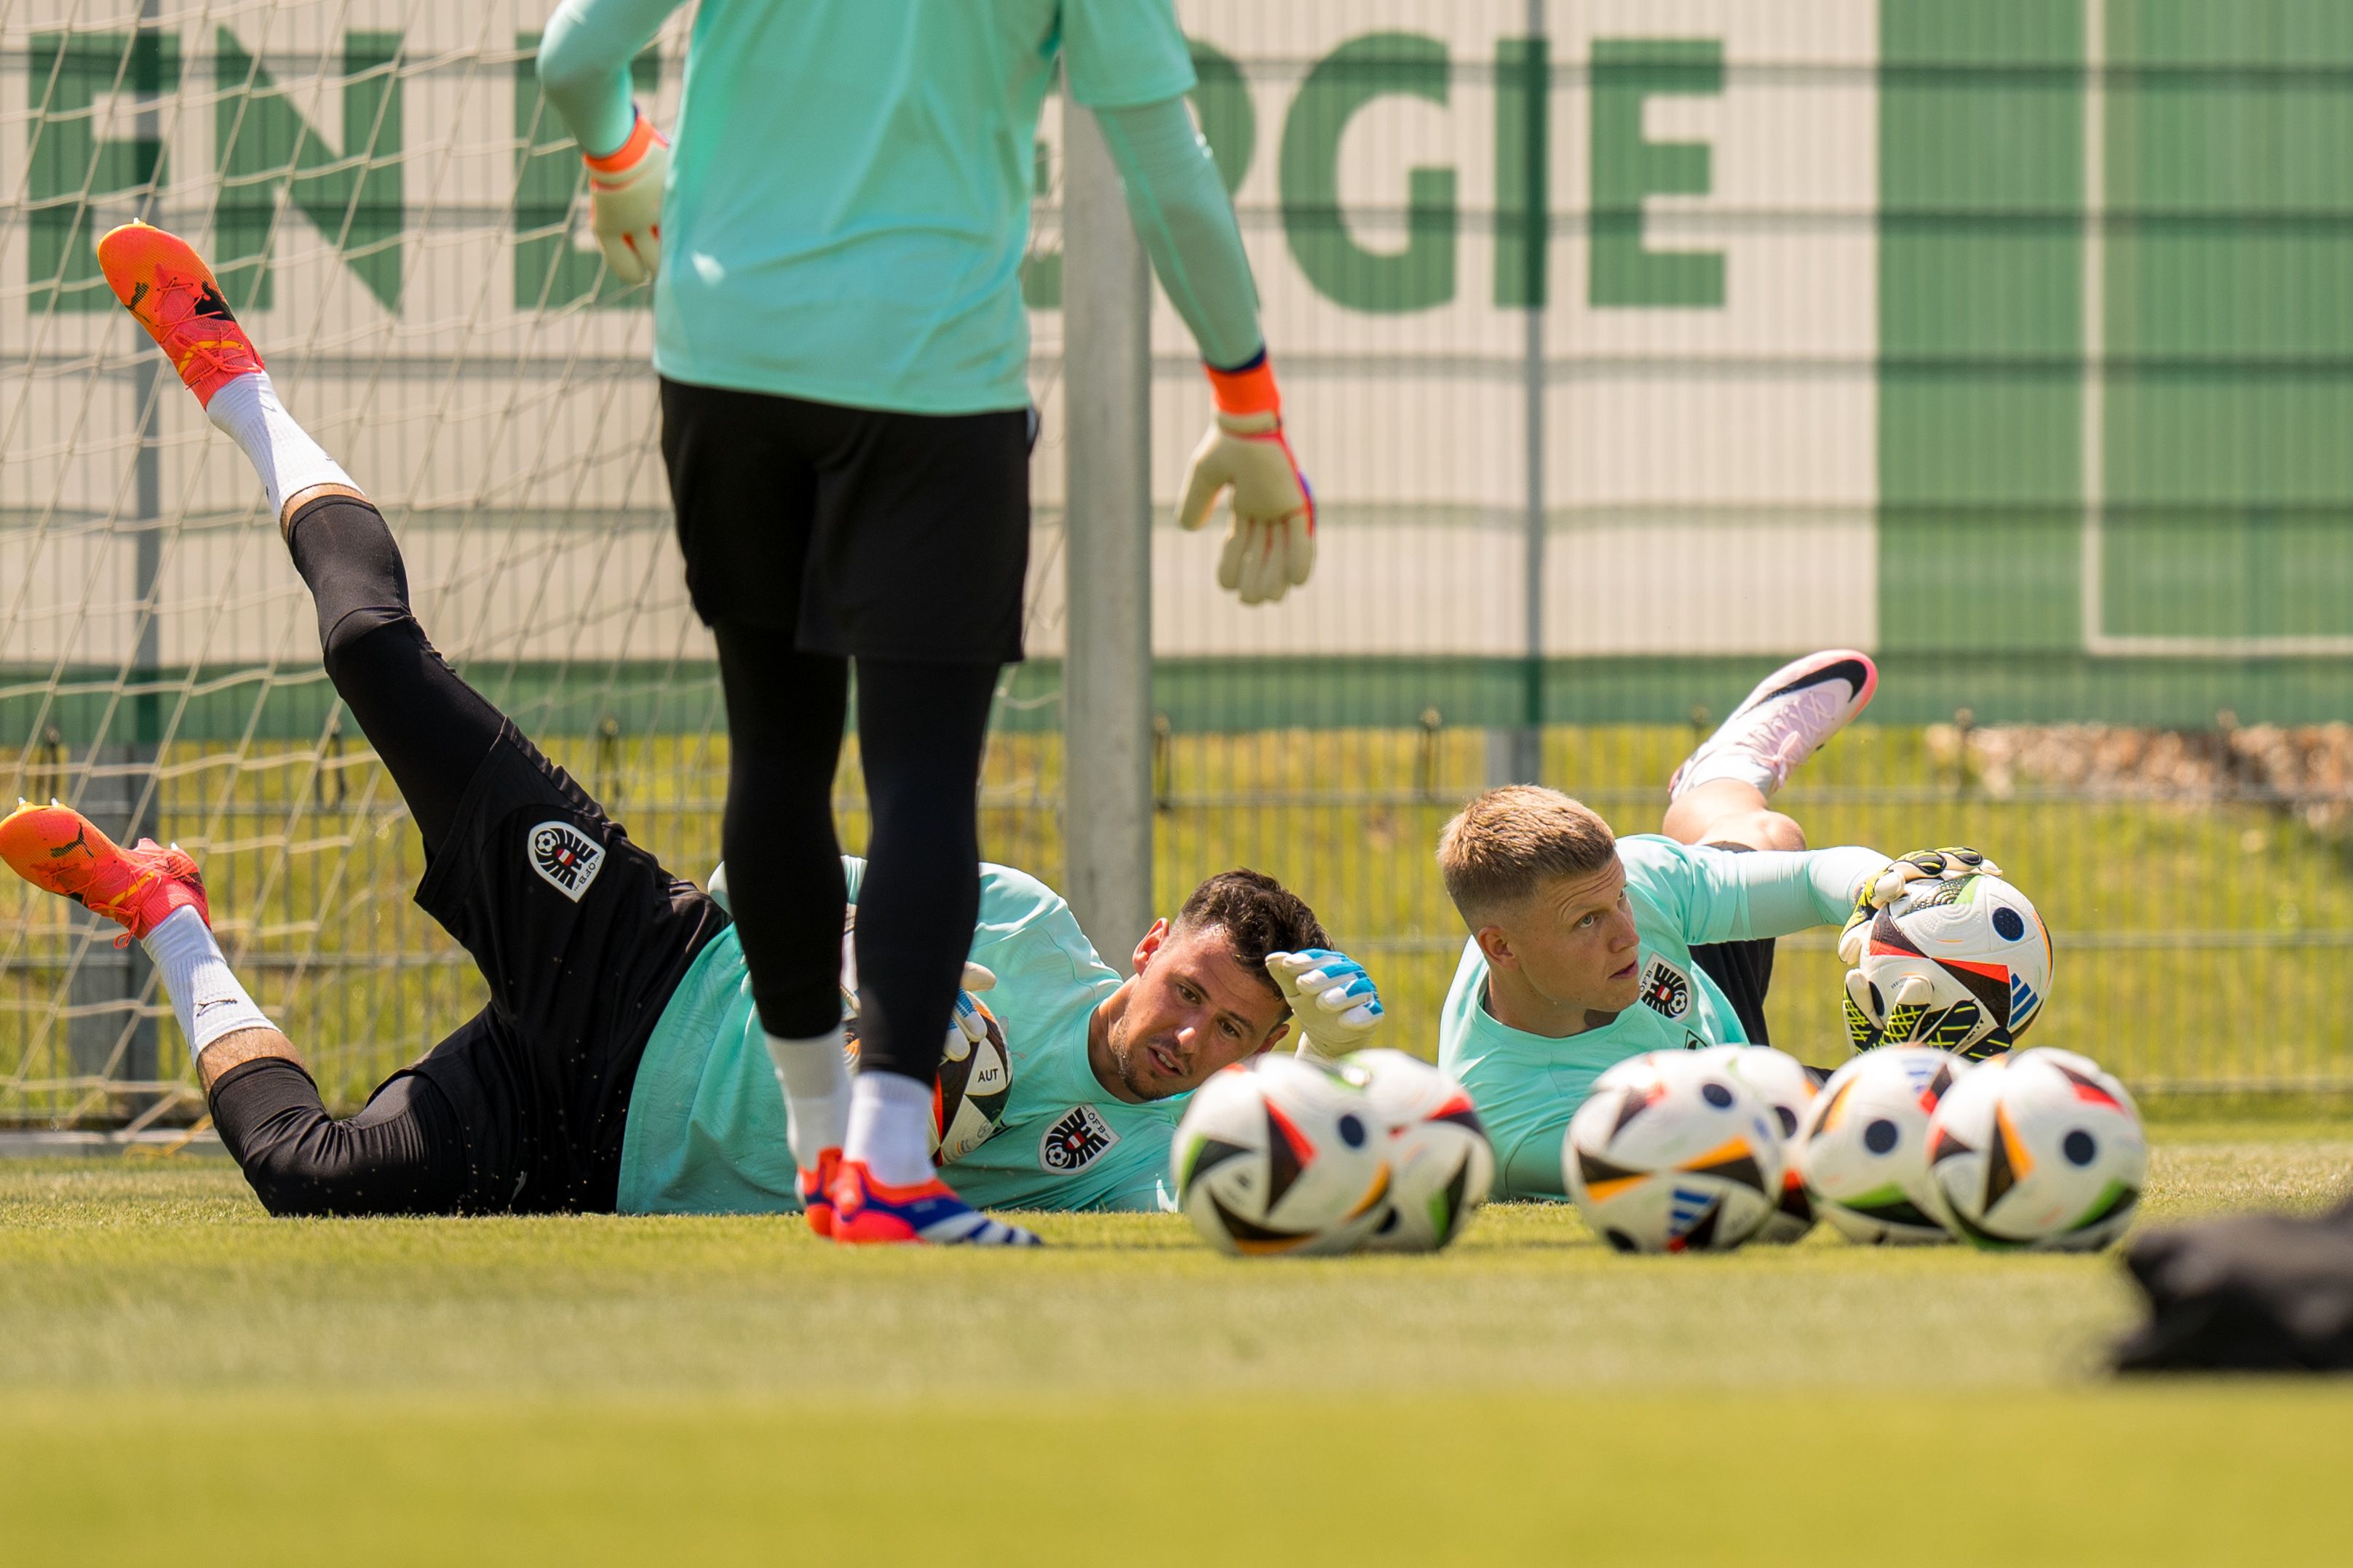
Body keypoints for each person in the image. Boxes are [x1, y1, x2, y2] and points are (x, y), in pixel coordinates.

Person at [7, 222, 1379, 1230]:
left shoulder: (1151, 1167)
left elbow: (1328, 1183)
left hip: (587, 1155)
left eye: (1233, 1034)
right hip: (636, 961)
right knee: (373, 651)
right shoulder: (1010, 921)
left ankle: (164, 916)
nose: (1189, 1037)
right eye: (1193, 991)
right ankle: (237, 382)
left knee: (300, 1180)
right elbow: (748, 888)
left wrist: (1337, 1066)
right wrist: (866, 1017)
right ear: (1149, 947)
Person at [533, 0, 1315, 1243]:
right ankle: (888, 1162)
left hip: (726, 356)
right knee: (920, 783)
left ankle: (816, 1153)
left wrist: (621, 158)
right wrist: (1247, 404)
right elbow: (1164, 163)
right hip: (931, 377)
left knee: (776, 750)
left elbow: (574, 56)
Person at [1434, 652, 1991, 1201]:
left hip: (1717, 1029)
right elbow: (1720, 1161)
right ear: (1501, 948)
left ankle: (1725, 771)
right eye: (1586, 921)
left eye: (1619, 898)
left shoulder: (1640, 884)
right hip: (1714, 1104)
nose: (1627, 933)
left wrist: (1888, 888)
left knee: (1770, 836)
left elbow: (1808, 878)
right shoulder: (1514, 1123)